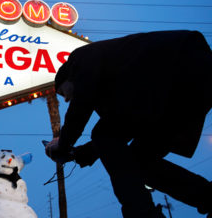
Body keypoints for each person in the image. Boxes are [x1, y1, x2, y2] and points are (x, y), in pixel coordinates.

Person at [45, 30, 212, 218]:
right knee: (140, 162)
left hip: (180, 65)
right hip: (187, 83)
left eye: (63, 93)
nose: (67, 99)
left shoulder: (80, 57)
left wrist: (63, 143)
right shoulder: (121, 88)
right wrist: (79, 153)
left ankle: (141, 213)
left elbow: (83, 108)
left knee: (104, 134)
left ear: (68, 77)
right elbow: (122, 130)